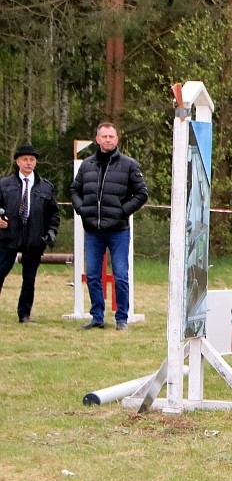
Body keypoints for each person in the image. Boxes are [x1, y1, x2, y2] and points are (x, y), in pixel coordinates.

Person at [70, 122, 148, 330]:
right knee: (93, 275)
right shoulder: (87, 165)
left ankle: (121, 318)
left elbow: (142, 194)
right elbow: (74, 190)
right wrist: (82, 209)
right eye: (103, 136)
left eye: (111, 136)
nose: (107, 139)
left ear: (117, 139)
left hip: (118, 231)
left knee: (121, 274)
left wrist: (122, 211)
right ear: (97, 139)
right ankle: (97, 316)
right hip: (93, 230)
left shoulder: (130, 165)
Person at [0, 144, 60, 323]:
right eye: (25, 159)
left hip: (34, 238)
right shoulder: (3, 185)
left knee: (29, 279)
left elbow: (53, 214)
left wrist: (51, 232)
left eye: (32, 160)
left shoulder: (46, 187)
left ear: (36, 163)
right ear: (17, 161)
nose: (28, 163)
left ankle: (24, 314)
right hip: (7, 237)